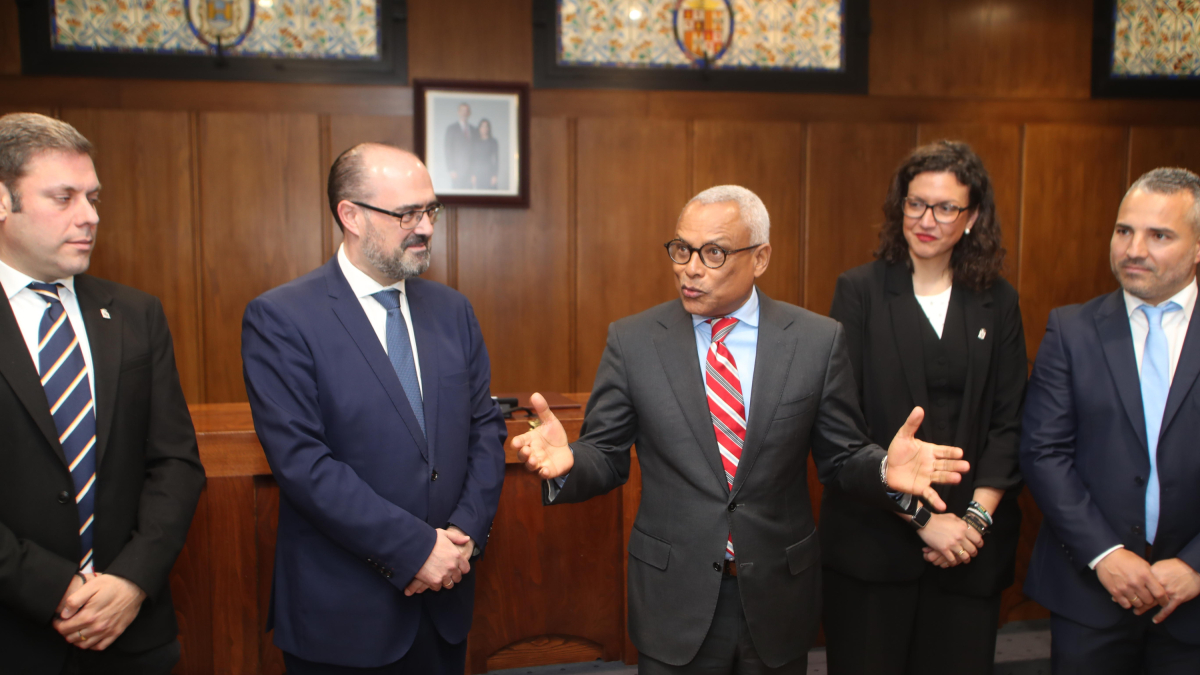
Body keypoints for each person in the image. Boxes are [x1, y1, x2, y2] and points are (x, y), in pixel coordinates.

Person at [512, 185, 971, 674]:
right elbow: (605, 454)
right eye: (682, 249)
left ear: (760, 258)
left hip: (777, 597)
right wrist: (570, 462)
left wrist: (881, 469)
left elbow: (841, 457)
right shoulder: (634, 341)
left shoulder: (815, 341)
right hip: (674, 598)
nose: (690, 268)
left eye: (713, 253)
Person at [241, 142, 507, 674]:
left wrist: (462, 537)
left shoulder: (453, 311)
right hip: (343, 617)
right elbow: (303, 465)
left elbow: (485, 430)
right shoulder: (282, 319)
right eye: (407, 213)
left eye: (430, 210)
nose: (425, 227)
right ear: (351, 215)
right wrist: (416, 549)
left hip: (445, 603)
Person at [0, 112, 205, 673]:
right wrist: (55, 590)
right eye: (63, 197)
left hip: (134, 634)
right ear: (3, 201)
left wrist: (132, 581)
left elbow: (176, 464)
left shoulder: (136, 314)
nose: (90, 216)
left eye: (92, 197)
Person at [821, 141, 1027, 674]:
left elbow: (1009, 424)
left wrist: (972, 523)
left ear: (972, 217)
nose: (926, 220)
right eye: (916, 203)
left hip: (968, 550)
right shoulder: (859, 291)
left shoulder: (999, 301)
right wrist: (922, 520)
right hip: (874, 546)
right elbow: (839, 428)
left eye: (945, 207)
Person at [1021, 167, 1200, 674]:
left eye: (1159, 235)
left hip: (1192, 604)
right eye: (1124, 230)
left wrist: (1194, 566)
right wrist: (1106, 555)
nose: (1133, 249)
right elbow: (1043, 452)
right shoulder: (1071, 329)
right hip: (1090, 595)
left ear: (1197, 248)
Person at [444, 103, 475, 189]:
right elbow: (448, 150)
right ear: (458, 112)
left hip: (471, 171)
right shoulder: (451, 129)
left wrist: (475, 172)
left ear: (469, 113)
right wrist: (451, 169)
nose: (464, 113)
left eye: (466, 111)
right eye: (462, 111)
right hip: (457, 170)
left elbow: (476, 151)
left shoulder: (474, 129)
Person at [470, 118, 499, 190]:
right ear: (479, 128)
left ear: (489, 128)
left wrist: (494, 175)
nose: (484, 128)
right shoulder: (475, 142)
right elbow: (473, 159)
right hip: (478, 172)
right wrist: (473, 174)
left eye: (486, 126)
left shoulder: (493, 142)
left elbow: (496, 159)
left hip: (489, 171)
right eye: (482, 126)